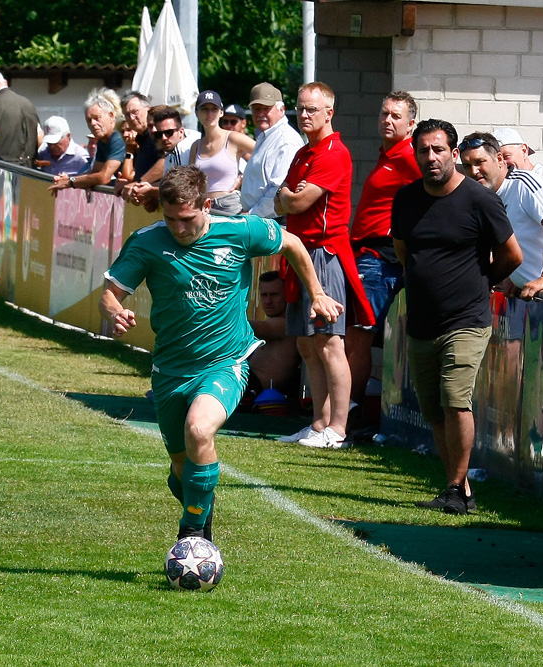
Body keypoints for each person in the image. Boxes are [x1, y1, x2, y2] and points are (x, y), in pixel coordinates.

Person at [99, 166, 343, 544]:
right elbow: (109, 293)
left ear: (206, 205)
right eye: (170, 219)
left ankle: (194, 534)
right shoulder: (147, 242)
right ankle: (199, 505)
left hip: (225, 362)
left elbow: (293, 243)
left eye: (187, 219)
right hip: (170, 369)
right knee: (182, 468)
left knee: (200, 429)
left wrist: (318, 293)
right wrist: (115, 313)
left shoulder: (241, 230)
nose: (178, 229)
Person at [392, 119, 523, 514]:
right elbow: (403, 251)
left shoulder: (479, 199)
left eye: (438, 150)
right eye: (423, 151)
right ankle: (459, 490)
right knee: (434, 410)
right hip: (421, 320)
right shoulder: (407, 199)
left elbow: (512, 255)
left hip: (467, 318)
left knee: (455, 399)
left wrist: (481, 282)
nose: (430, 157)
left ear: (453, 154)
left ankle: (453, 487)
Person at [273, 82, 374, 449]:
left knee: (330, 342)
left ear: (329, 113)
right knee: (306, 344)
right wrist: (288, 196)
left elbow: (296, 203)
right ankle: (318, 424)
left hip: (323, 254)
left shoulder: (333, 153)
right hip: (299, 253)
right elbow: (280, 198)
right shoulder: (303, 153)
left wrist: (289, 197)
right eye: (300, 108)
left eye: (312, 109)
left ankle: (339, 429)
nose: (304, 115)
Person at [346, 91, 421, 422]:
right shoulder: (388, 153)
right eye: (384, 113)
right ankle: (346, 412)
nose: (387, 120)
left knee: (356, 336)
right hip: (368, 254)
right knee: (356, 335)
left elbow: (433, 194)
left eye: (396, 115)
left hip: (379, 256)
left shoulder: (409, 156)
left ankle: (345, 415)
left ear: (411, 123)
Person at [459, 132, 543, 301]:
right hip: (524, 295)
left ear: (499, 159)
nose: (474, 171)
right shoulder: (484, 197)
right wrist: (511, 276)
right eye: (467, 165)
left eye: (480, 162)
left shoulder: (523, 183)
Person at [239, 82, 304, 219]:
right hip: (260, 219)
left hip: (275, 222)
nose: (261, 114)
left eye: (266, 108)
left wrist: (251, 215)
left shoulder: (285, 140)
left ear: (282, 109)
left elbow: (278, 190)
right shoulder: (267, 135)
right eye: (256, 109)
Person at [190, 90, 255, 215]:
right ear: (197, 113)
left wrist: (243, 177)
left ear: (221, 112)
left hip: (229, 205)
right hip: (203, 207)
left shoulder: (233, 138)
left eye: (214, 109)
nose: (209, 114)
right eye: (204, 109)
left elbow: (266, 154)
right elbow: (192, 181)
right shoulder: (196, 146)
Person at [48, 88, 124, 194]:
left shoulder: (118, 137)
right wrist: (67, 180)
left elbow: (104, 177)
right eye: (89, 120)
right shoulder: (103, 141)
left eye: (97, 118)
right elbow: (94, 172)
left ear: (111, 116)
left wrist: (70, 182)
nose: (92, 123)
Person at [246, 271, 301, 406]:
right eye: (264, 295)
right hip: (248, 383)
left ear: (286, 295)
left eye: (274, 295)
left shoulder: (287, 324)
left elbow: (255, 327)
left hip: (255, 389)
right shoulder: (275, 322)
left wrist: (219, 320)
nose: (268, 301)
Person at [0, 69, 41, 167]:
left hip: (1, 169)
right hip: (28, 169)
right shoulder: (28, 103)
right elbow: (39, 135)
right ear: (5, 82)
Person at [120, 91, 163, 183]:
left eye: (135, 112)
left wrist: (138, 183)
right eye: (127, 115)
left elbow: (166, 161)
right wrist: (128, 183)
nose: (131, 118)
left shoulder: (158, 134)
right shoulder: (139, 139)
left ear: (149, 110)